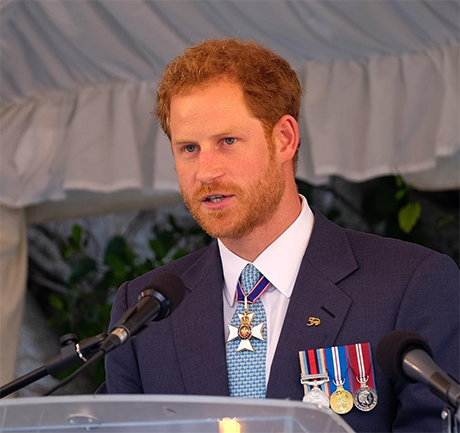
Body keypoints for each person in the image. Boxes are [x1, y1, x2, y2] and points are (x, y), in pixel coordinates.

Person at [105, 38, 460, 432]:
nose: (205, 172)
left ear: (284, 139)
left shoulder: (411, 282)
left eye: (227, 142)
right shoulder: (144, 311)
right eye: (188, 148)